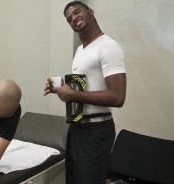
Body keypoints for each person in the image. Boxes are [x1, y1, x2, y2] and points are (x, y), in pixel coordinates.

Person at [44, 1, 126, 184]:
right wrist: (60, 87)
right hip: (77, 128)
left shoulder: (108, 46)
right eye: (69, 19)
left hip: (96, 131)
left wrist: (74, 95)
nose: (73, 18)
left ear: (90, 11)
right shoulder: (80, 50)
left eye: (77, 12)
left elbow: (118, 97)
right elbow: (86, 85)